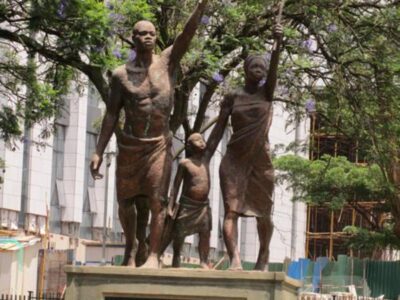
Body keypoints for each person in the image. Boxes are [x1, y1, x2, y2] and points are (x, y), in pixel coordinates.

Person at [90, 0, 209, 269]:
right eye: (142, 33)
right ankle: (131, 249)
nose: (147, 37)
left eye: (152, 34)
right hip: (131, 147)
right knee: (125, 202)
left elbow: (186, 35)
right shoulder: (121, 76)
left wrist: (201, 6)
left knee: (158, 202)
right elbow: (111, 114)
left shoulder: (167, 63)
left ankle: (153, 256)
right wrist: (98, 150)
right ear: (133, 38)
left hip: (158, 145)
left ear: (156, 39)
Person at [207, 23, 283, 271]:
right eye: (255, 66)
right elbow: (218, 129)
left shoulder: (267, 94)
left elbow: (274, 70)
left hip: (261, 161)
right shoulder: (233, 96)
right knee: (231, 211)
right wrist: (204, 156)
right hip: (234, 160)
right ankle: (235, 260)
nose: (259, 70)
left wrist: (277, 43)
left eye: (262, 66)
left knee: (264, 214)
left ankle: (263, 254)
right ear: (246, 69)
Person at [164, 133, 219, 269]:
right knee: (179, 233)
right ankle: (176, 257)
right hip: (187, 205)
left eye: (202, 139)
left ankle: (203, 261)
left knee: (205, 232)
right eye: (197, 140)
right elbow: (175, 186)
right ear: (189, 145)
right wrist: (170, 206)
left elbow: (215, 139)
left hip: (203, 206)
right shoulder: (184, 163)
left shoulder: (206, 160)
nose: (201, 142)